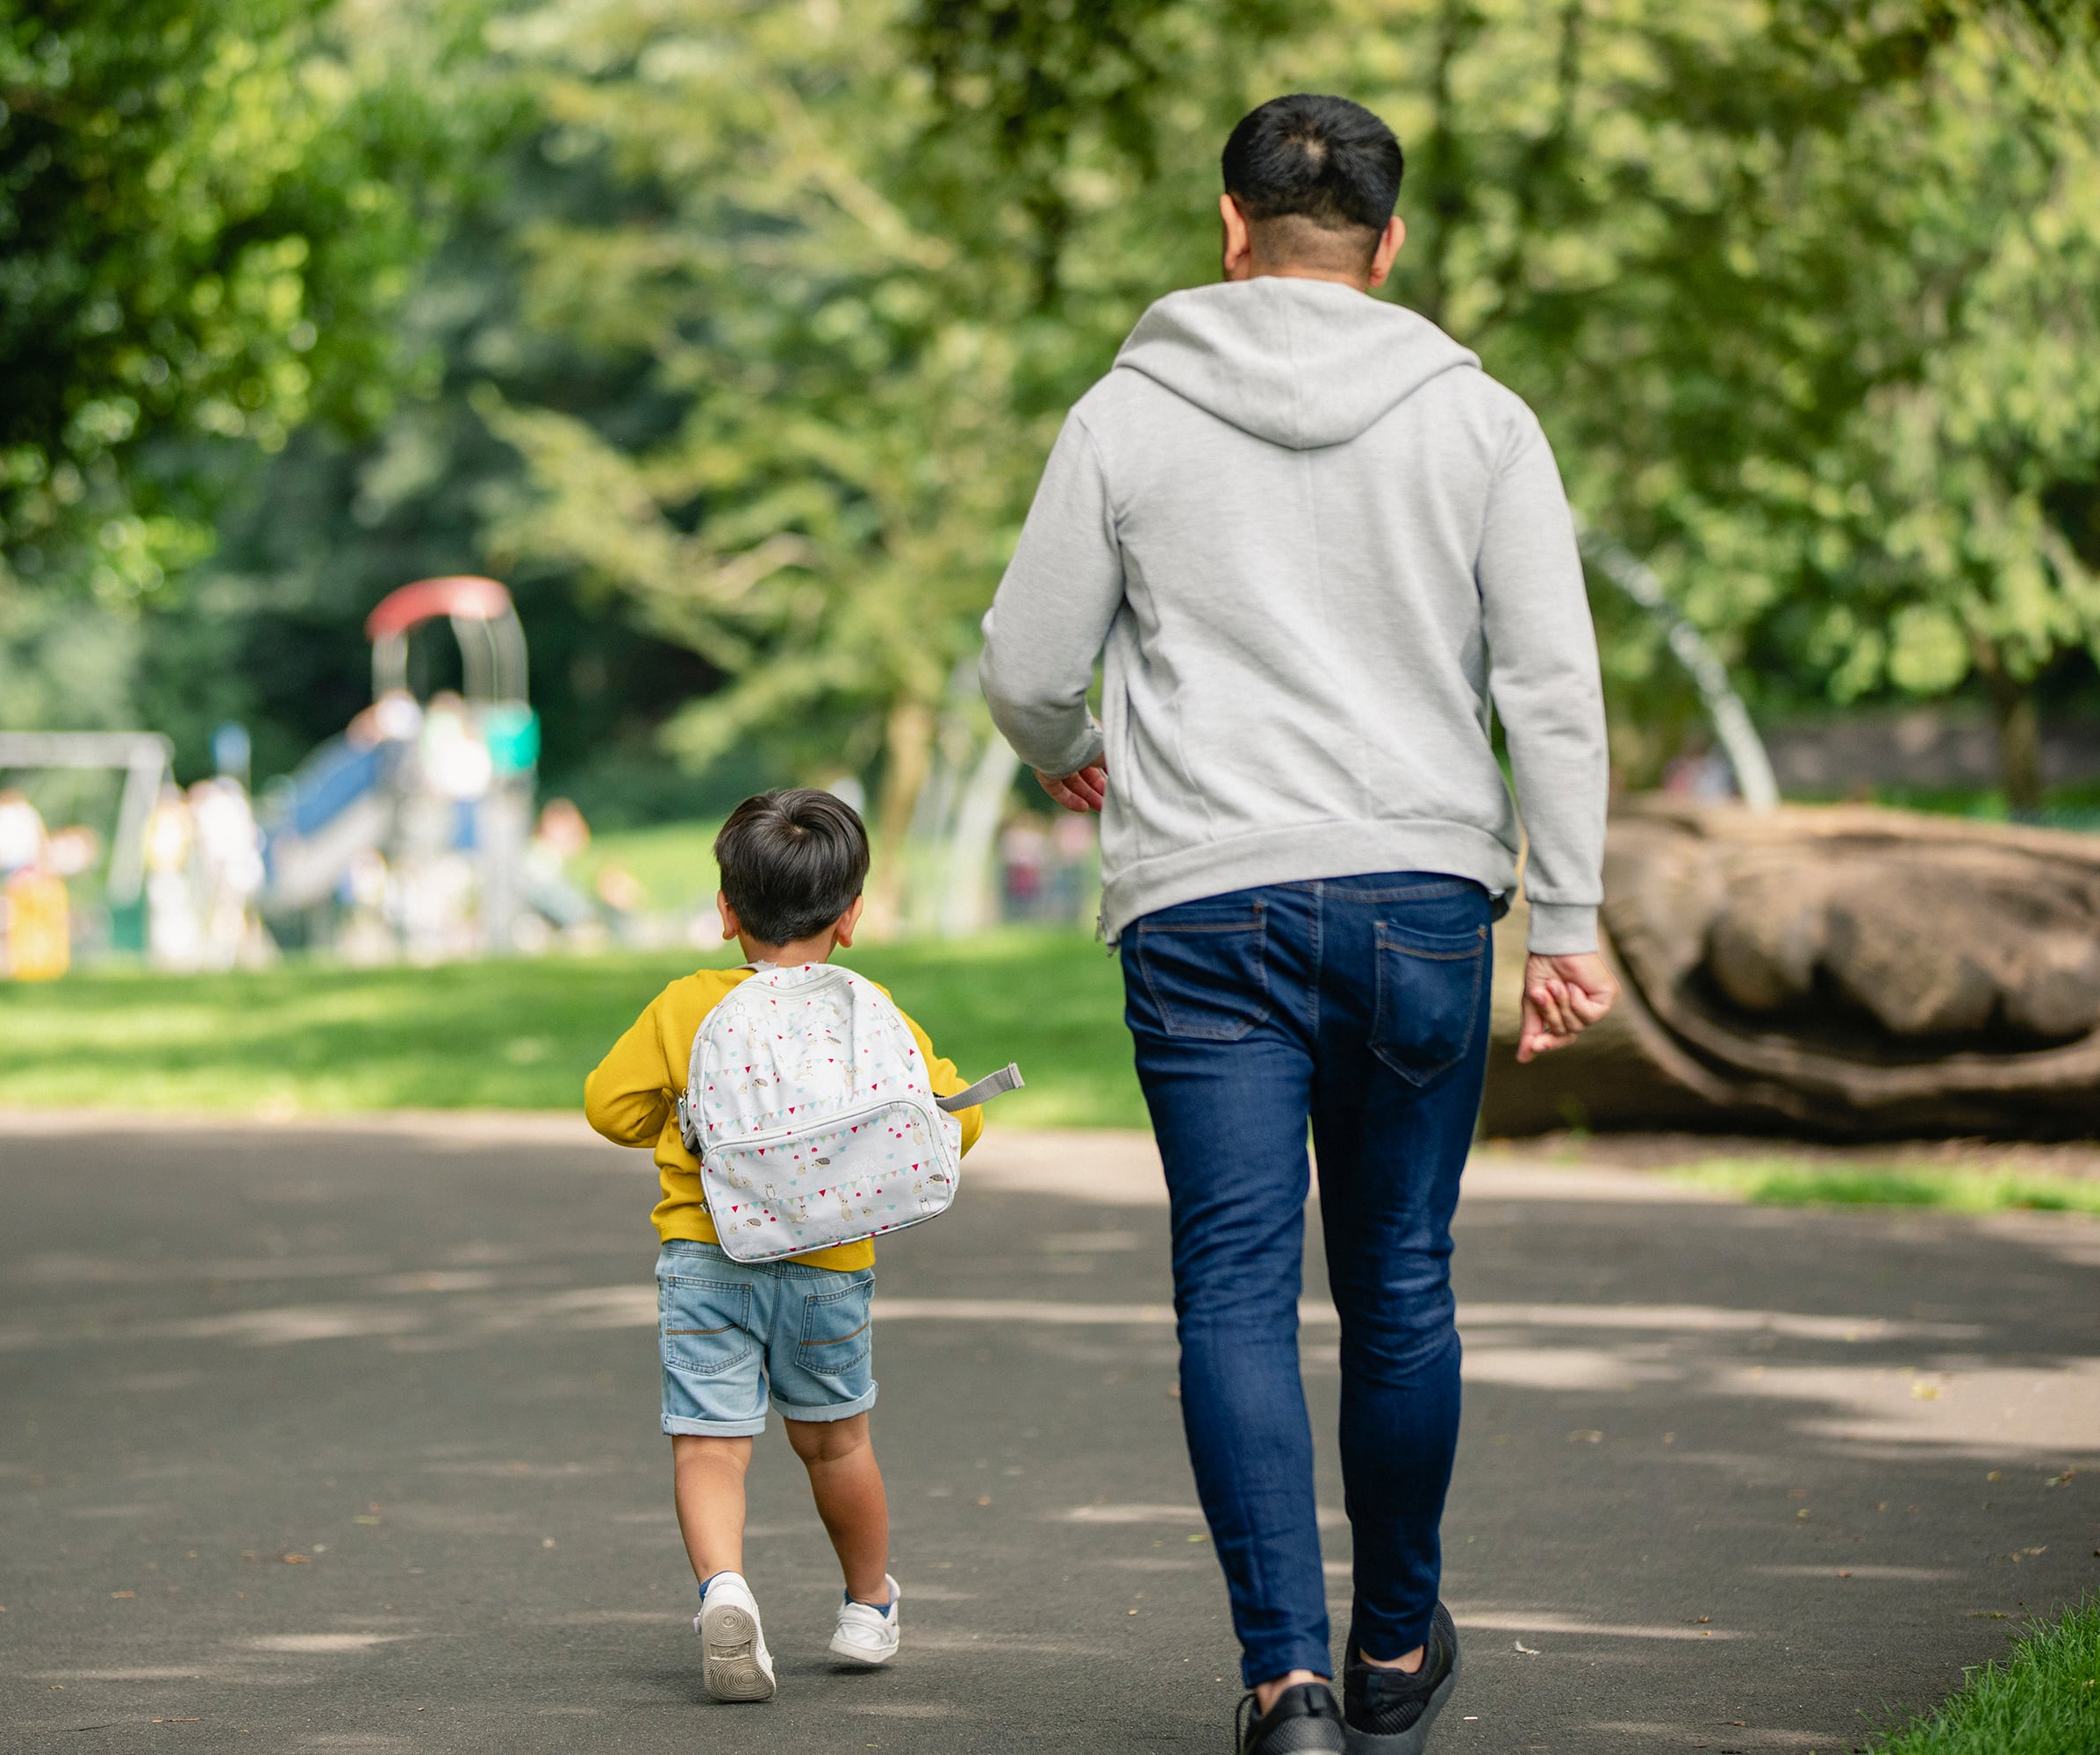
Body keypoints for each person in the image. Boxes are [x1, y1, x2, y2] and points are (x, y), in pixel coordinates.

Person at [979, 94, 1618, 1755]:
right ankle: (1396, 1646)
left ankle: (1289, 1686)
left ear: (1228, 225)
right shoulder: (1479, 421)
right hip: (1419, 898)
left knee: (1235, 1289)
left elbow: (1029, 665)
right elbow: (1550, 683)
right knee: (1402, 1280)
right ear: (1390, 245)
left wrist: (1077, 759)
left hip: (1205, 897)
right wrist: (1573, 918)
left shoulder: (1125, 415)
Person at [582, 788, 986, 1703]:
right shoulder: (869, 1008)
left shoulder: (687, 1005)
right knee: (838, 1442)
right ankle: (867, 1604)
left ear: (727, 910)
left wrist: (677, 1118)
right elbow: (951, 1118)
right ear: (850, 918)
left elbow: (608, 1105)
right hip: (830, 1267)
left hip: (706, 1257)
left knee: (710, 1448)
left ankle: (724, 1589)